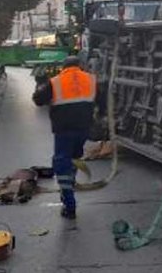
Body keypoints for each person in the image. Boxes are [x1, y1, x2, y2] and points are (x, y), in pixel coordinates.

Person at [32, 56, 96, 219]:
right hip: (83, 129)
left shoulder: (56, 81)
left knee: (61, 163)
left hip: (64, 130)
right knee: (74, 158)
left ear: (64, 67)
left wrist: (42, 88)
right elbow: (101, 100)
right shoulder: (91, 79)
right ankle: (70, 184)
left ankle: (69, 204)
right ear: (80, 66)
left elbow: (38, 100)